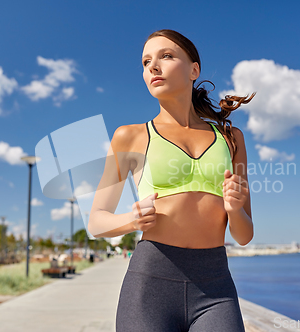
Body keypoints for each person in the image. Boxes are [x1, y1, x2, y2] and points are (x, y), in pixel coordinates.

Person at [88, 29, 255, 332]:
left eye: (166, 56)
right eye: (146, 61)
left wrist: (234, 209)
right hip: (150, 284)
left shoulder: (231, 138)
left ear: (194, 70)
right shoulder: (130, 136)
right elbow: (96, 222)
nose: (153, 66)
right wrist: (132, 219)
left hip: (216, 286)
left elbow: (244, 235)